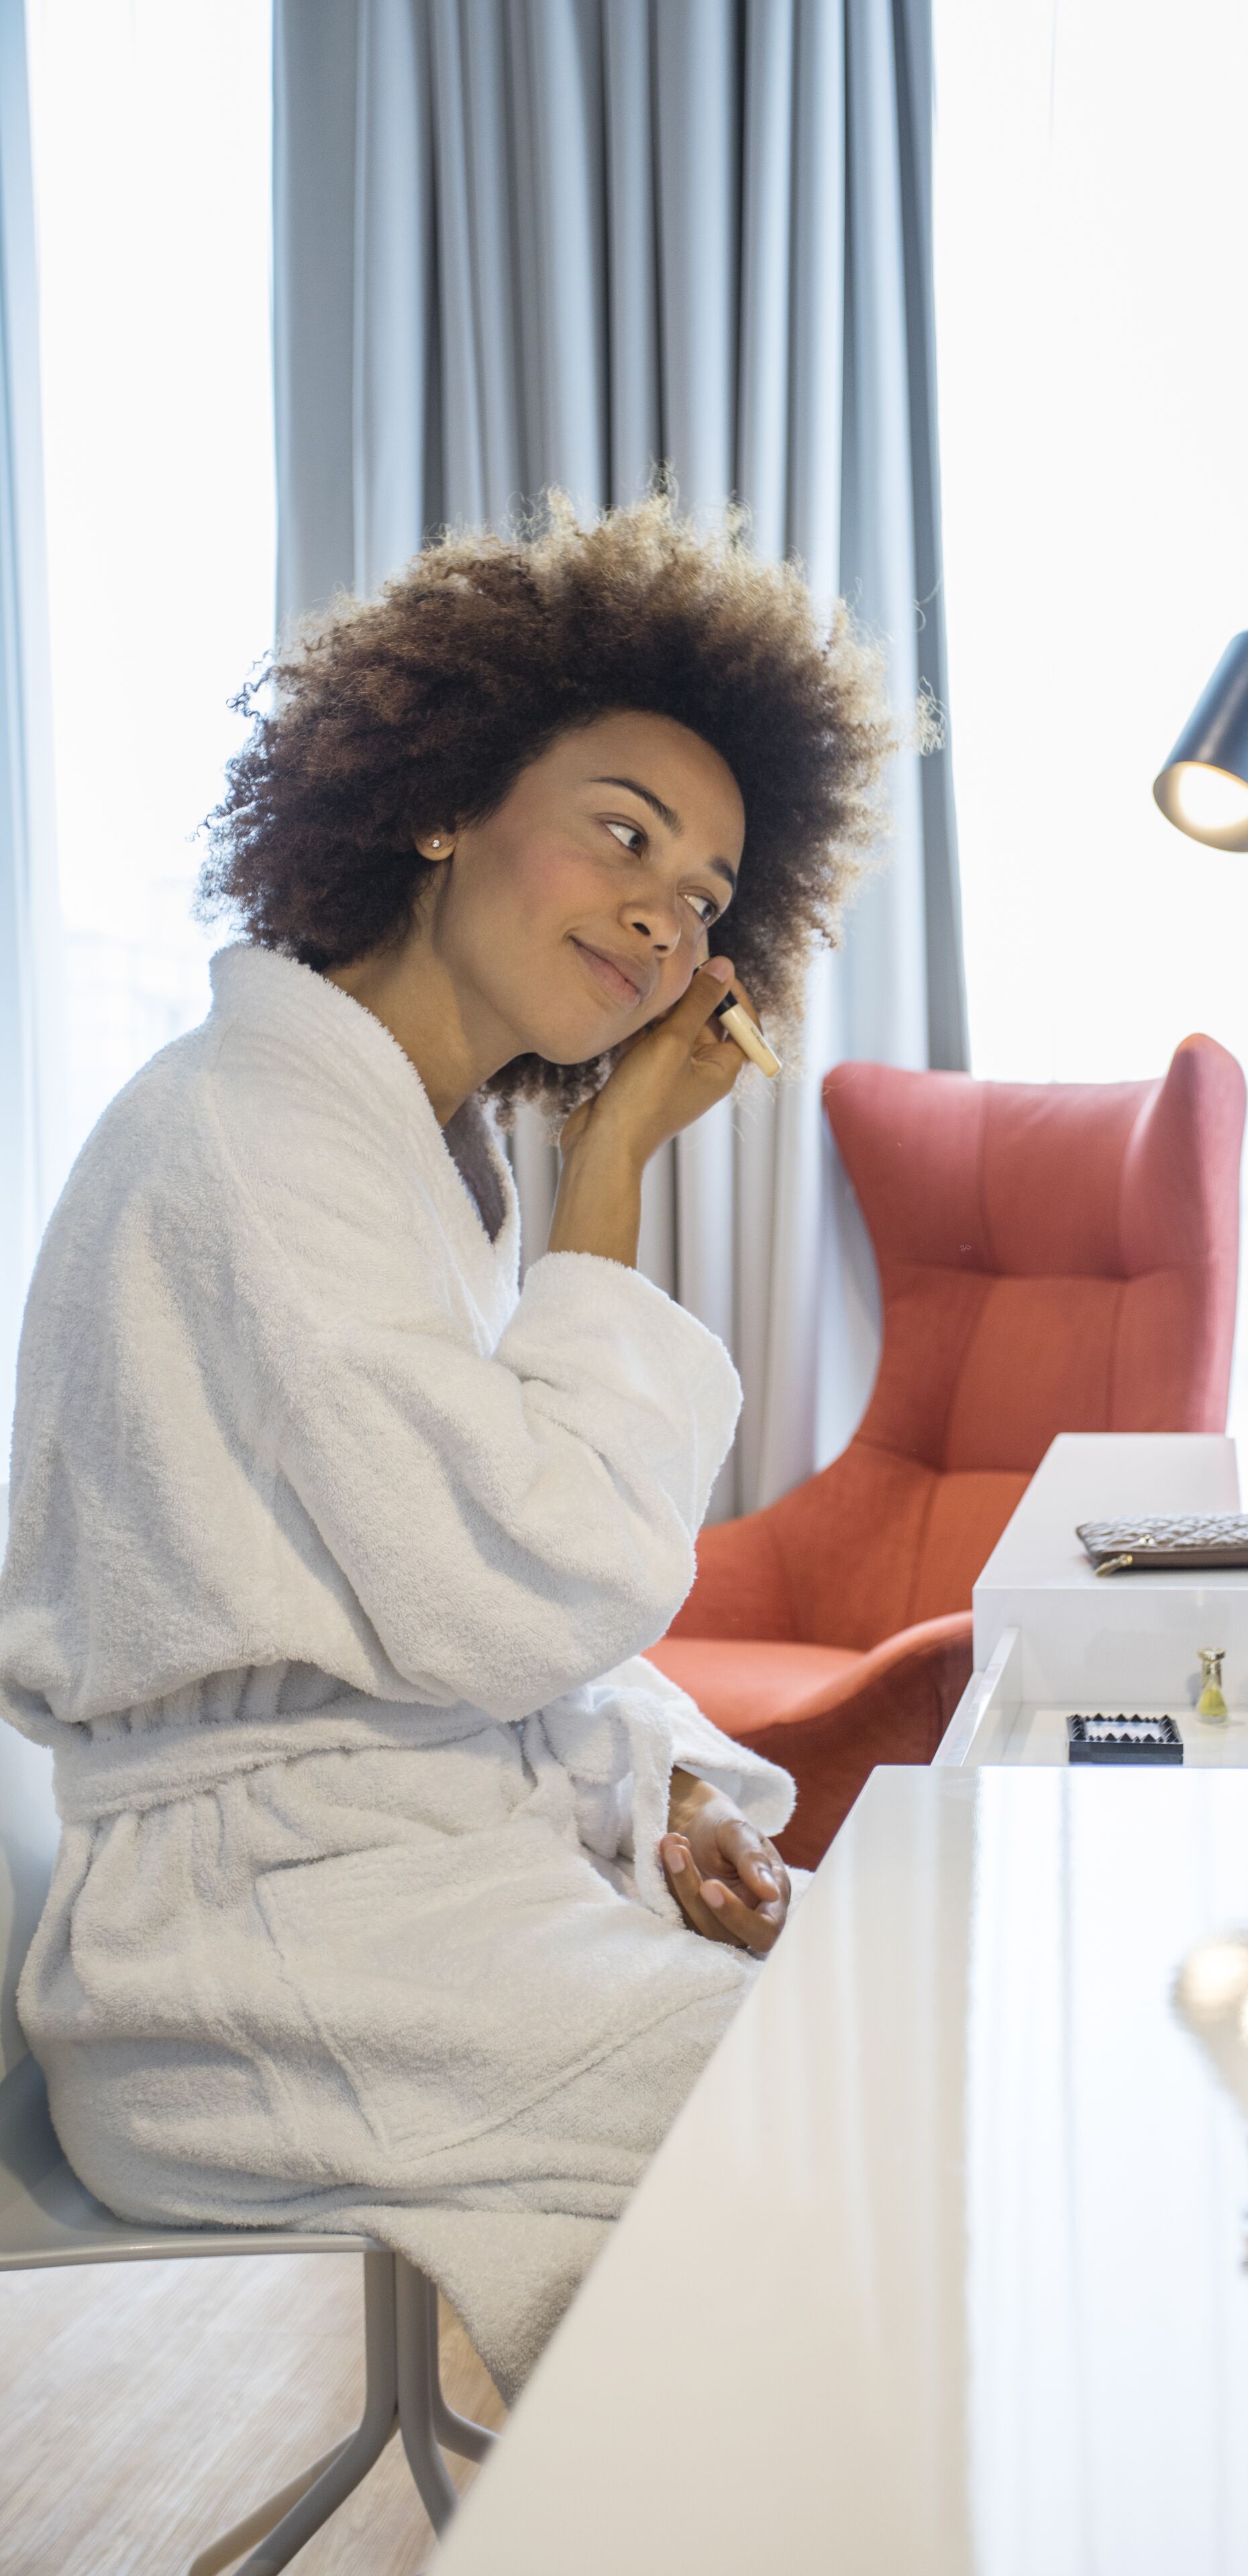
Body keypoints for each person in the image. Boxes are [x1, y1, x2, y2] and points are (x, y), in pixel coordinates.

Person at [0, 494, 896, 2399]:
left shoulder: (406, 1151)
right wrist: (618, 1168)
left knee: (882, 2038)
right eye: (625, 831)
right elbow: (517, 1584)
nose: (667, 913)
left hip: (390, 1888)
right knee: (855, 2106)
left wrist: (669, 1791)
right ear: (440, 800)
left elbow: (468, 1605)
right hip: (253, 1961)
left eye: (713, 898)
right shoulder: (260, 1139)